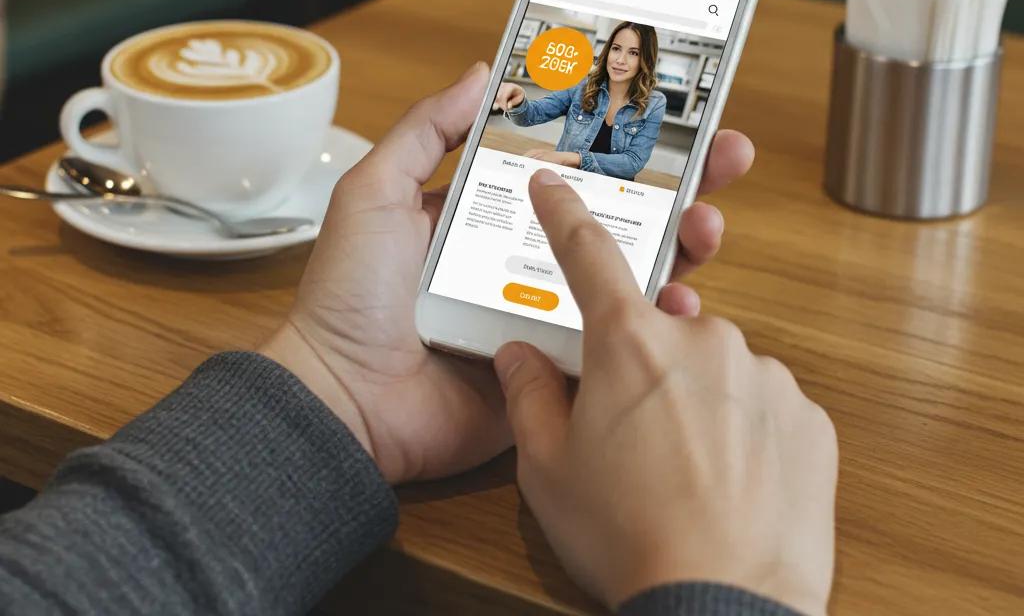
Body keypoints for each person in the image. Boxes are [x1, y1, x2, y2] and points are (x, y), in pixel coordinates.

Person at [0, 64, 837, 615]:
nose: (615, 58)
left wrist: (340, 386)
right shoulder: (577, 99)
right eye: (607, 46)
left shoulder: (648, 106)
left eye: (627, 49)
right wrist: (730, 587)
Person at [494, 21, 666, 180]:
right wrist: (518, 100)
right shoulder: (581, 86)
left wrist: (569, 158)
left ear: (646, 59)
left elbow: (632, 163)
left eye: (633, 53)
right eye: (616, 49)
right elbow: (531, 115)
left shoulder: (655, 103)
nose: (620, 60)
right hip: (564, 183)